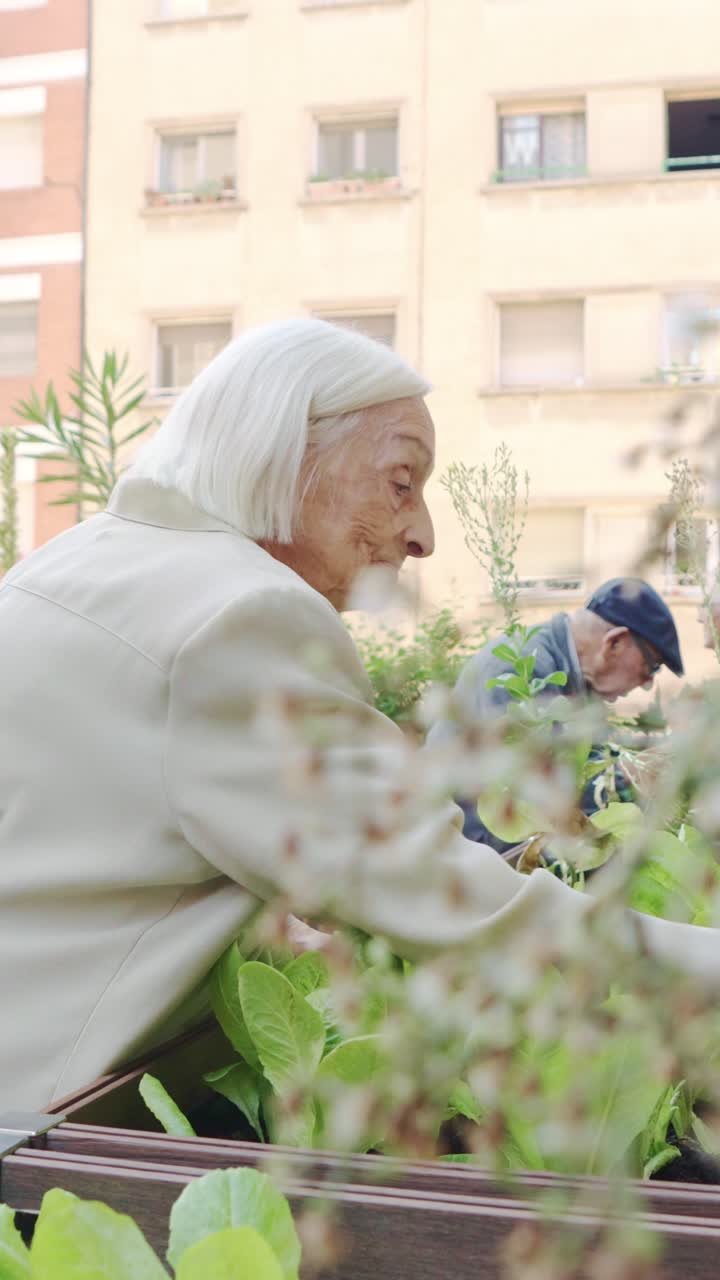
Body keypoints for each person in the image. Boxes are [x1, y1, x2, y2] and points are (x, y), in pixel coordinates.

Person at [0, 319, 717, 1113]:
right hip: (51, 1123)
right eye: (400, 482)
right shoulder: (242, 615)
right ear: (285, 453)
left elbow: (100, 851)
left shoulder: (75, 561)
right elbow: (448, 897)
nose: (424, 536)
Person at [427, 579, 684, 848]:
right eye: (651, 665)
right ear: (615, 643)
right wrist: (625, 778)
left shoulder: (577, 681)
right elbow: (528, 796)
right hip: (467, 851)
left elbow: (583, 763)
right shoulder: (522, 669)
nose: (647, 682)